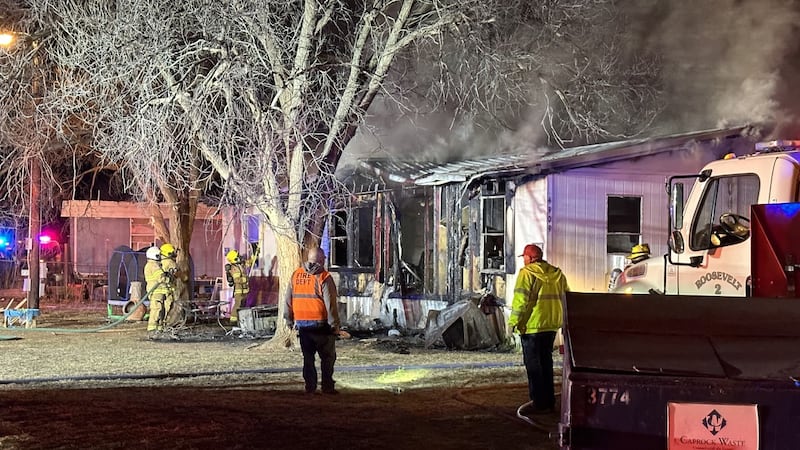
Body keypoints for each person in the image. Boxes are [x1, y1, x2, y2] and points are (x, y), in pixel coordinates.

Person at [508, 244, 569, 414]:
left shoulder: (526, 274)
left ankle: (538, 402)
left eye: (524, 257)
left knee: (534, 366)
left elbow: (521, 301)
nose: (524, 260)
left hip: (532, 326)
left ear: (530, 258)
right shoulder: (557, 274)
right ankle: (549, 401)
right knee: (546, 363)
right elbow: (567, 297)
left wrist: (513, 322)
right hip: (551, 326)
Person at [284, 247, 341, 394]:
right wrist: (334, 325)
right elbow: (331, 304)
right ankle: (327, 386)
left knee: (308, 359)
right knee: (328, 358)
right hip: (321, 326)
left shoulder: (296, 275)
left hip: (303, 326)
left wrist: (289, 319)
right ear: (322, 260)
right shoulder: (324, 277)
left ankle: (310, 386)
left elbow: (288, 300)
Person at [144, 246, 174, 337]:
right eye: (159, 255)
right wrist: (169, 278)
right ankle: (152, 329)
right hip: (156, 291)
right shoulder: (153, 265)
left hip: (159, 292)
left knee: (161, 310)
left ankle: (160, 328)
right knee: (156, 309)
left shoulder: (154, 264)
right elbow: (161, 278)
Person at [225, 249, 250, 323]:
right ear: (234, 259)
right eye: (238, 256)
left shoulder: (240, 265)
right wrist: (245, 279)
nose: (240, 257)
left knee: (242, 306)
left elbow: (248, 263)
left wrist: (255, 255)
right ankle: (233, 321)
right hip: (239, 291)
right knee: (237, 306)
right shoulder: (234, 268)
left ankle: (240, 320)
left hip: (244, 290)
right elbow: (237, 280)